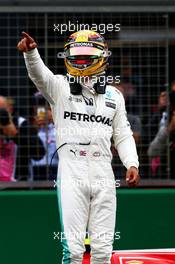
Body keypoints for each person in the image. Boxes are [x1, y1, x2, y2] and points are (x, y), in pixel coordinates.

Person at [17, 30, 140, 264]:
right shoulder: (59, 87)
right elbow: (39, 76)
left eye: (88, 53)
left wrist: (132, 163)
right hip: (72, 171)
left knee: (103, 251)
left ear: (102, 56)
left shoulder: (115, 95)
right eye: (77, 53)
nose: (81, 59)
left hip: (104, 171)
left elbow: (122, 133)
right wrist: (31, 53)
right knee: (73, 251)